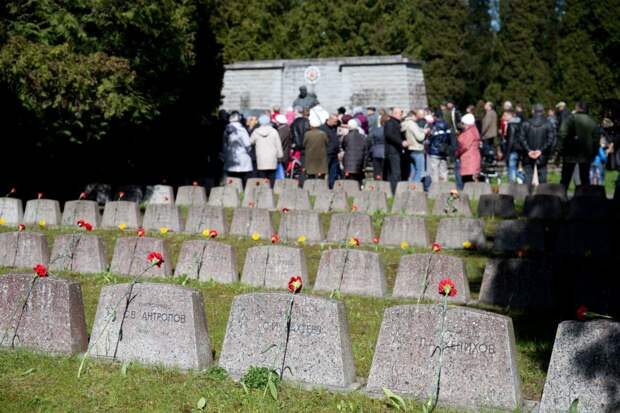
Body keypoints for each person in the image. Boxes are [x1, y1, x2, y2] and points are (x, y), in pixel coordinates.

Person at [558, 102, 601, 190]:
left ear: (577, 108)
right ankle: (584, 199)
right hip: (586, 154)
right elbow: (596, 140)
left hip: (570, 152)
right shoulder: (592, 121)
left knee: (565, 179)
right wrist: (594, 152)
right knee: (585, 179)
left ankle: (562, 199)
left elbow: (562, 134)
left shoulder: (570, 119)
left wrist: (561, 150)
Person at [518, 104, 555, 186]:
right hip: (542, 154)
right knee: (542, 178)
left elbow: (521, 138)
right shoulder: (548, 124)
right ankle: (543, 197)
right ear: (543, 112)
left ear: (532, 111)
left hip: (529, 154)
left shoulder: (525, 123)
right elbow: (551, 140)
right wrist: (541, 150)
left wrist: (529, 150)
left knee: (528, 177)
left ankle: (526, 197)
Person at [250, 115, 283, 187]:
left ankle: (262, 191)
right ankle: (271, 190)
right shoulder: (274, 131)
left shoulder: (256, 132)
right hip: (272, 158)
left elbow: (251, 142)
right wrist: (280, 156)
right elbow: (278, 145)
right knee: (272, 176)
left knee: (262, 177)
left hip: (261, 158)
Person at [222, 111, 253, 185]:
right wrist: (249, 151)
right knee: (242, 180)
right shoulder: (241, 129)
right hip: (242, 158)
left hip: (230, 157)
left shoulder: (226, 129)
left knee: (232, 180)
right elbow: (247, 144)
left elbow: (224, 143)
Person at [402, 109, 428, 183]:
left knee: (412, 172)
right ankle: (414, 189)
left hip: (410, 149)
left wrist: (422, 130)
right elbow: (420, 137)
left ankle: (409, 187)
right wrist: (425, 133)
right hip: (417, 149)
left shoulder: (404, 123)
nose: (417, 117)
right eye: (416, 115)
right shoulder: (412, 124)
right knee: (419, 172)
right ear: (413, 115)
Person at [341, 119, 368, 185]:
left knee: (349, 181)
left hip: (348, 163)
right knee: (358, 180)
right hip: (359, 163)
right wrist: (364, 165)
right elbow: (366, 152)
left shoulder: (346, 137)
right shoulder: (363, 137)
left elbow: (343, 147)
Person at [456, 113, 481, 184]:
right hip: (474, 157)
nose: (462, 125)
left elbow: (463, 145)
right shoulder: (474, 130)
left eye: (463, 123)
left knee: (468, 181)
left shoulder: (468, 132)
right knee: (473, 179)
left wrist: (456, 152)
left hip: (468, 159)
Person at [384, 107, 404, 192]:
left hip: (394, 151)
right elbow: (389, 135)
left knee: (393, 173)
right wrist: (401, 142)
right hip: (392, 151)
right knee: (395, 173)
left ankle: (391, 191)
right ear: (395, 114)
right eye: (400, 114)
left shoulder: (395, 123)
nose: (401, 115)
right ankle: (395, 191)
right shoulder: (390, 123)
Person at [501, 110, 523, 183]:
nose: (503, 117)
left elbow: (511, 139)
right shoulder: (519, 123)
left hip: (513, 149)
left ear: (510, 115)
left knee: (511, 167)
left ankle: (512, 185)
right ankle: (524, 179)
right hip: (518, 148)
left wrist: (507, 152)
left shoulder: (511, 125)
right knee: (514, 167)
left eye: (505, 116)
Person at [428, 112, 451, 182]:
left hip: (435, 151)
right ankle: (444, 187)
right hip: (444, 150)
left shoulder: (434, 126)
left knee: (434, 170)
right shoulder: (447, 125)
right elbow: (449, 138)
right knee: (444, 170)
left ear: (435, 117)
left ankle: (435, 188)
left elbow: (431, 138)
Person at [321, 114, 341, 188]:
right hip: (327, 153)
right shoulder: (322, 128)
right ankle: (321, 186)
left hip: (334, 153)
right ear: (330, 120)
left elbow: (339, 123)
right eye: (335, 121)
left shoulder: (334, 126)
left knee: (333, 172)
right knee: (324, 171)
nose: (336, 123)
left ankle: (331, 186)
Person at [370, 114, 388, 180]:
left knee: (377, 171)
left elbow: (372, 141)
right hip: (385, 152)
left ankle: (377, 182)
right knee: (384, 171)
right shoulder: (388, 131)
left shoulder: (375, 130)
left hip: (376, 152)